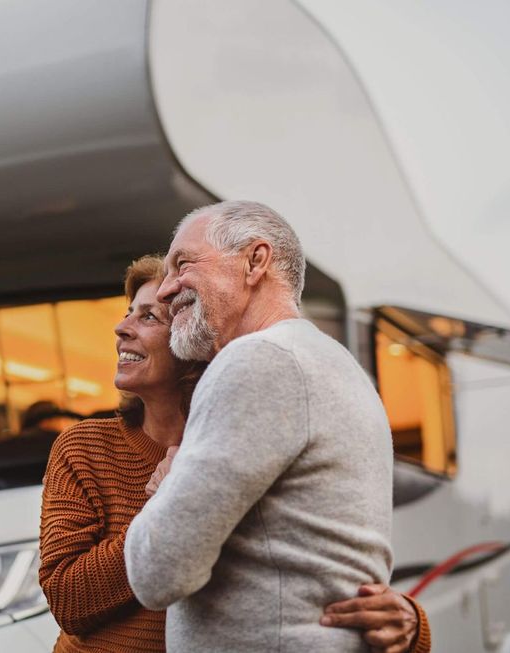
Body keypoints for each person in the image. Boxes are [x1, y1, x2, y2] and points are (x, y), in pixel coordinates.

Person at [39, 253, 430, 653]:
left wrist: (410, 624)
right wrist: (175, 507)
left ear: (191, 341)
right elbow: (69, 601)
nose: (122, 329)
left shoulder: (258, 442)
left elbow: (311, 568)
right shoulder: (84, 448)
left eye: (149, 317)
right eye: (129, 313)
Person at [123, 201, 404, 651]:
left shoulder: (258, 360)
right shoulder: (332, 362)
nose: (165, 289)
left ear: (255, 261)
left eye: (183, 264)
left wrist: (166, 489)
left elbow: (159, 573)